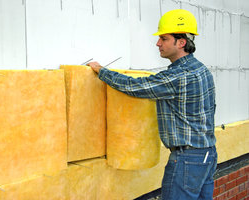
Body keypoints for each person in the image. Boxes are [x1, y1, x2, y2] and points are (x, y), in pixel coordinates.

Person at [87, 9, 217, 200]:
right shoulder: (201, 70)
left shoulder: (178, 76)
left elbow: (134, 86)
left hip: (187, 160)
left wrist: (101, 71)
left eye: (163, 38)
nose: (158, 43)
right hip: (207, 155)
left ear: (181, 42)